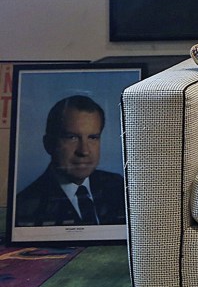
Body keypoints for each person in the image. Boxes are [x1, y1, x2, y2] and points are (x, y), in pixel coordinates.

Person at [15, 96, 126, 228]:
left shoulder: (118, 187)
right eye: (72, 137)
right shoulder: (25, 205)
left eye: (92, 137)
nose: (84, 151)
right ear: (49, 144)